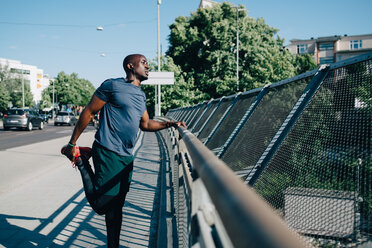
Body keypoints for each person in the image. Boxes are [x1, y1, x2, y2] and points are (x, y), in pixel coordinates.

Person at [62, 54, 185, 248]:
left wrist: (170, 123)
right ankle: (81, 161)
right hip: (108, 150)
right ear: (130, 66)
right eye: (143, 63)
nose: (148, 66)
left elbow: (145, 124)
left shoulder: (140, 94)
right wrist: (72, 143)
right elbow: (89, 112)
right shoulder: (112, 86)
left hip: (127, 155)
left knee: (116, 207)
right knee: (101, 204)